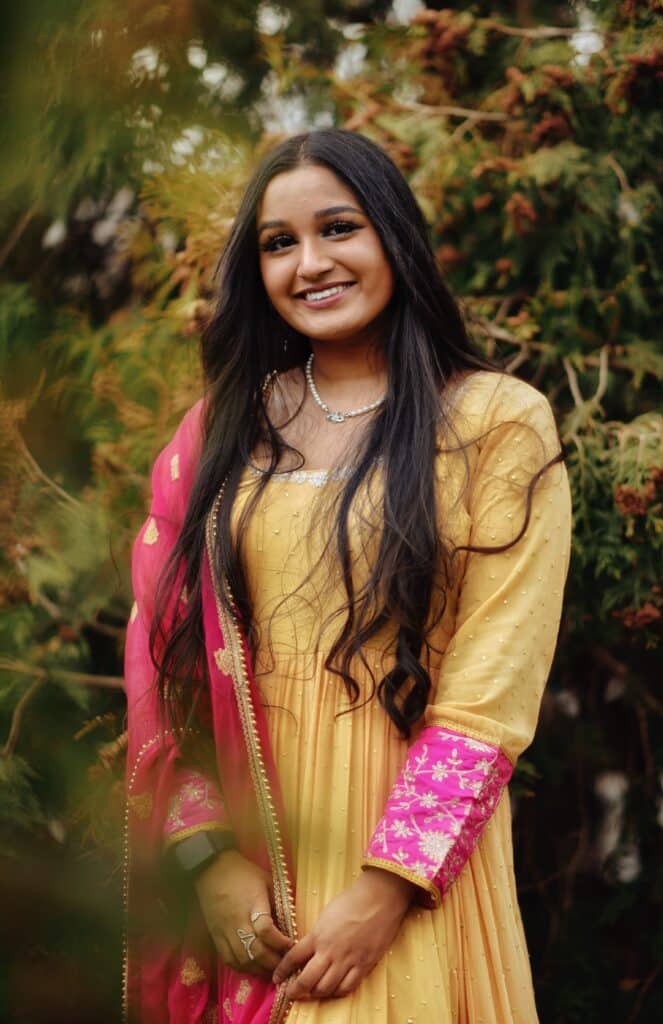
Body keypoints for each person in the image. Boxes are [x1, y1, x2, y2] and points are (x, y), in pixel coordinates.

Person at [123, 128, 571, 1024]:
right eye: (278, 243)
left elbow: (493, 686)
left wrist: (388, 886)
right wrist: (207, 859)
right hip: (260, 876)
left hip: (415, 876)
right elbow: (163, 653)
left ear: (394, 239)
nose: (310, 263)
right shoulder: (220, 435)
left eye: (338, 228)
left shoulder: (494, 422)